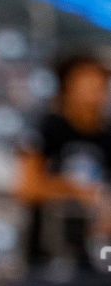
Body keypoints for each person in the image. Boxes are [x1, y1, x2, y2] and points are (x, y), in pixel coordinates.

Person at [18, 52, 111, 273]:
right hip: (45, 255)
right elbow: (27, 188)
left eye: (100, 85)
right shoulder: (47, 128)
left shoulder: (108, 137)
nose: (95, 93)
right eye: (86, 84)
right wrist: (75, 192)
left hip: (95, 257)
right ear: (67, 87)